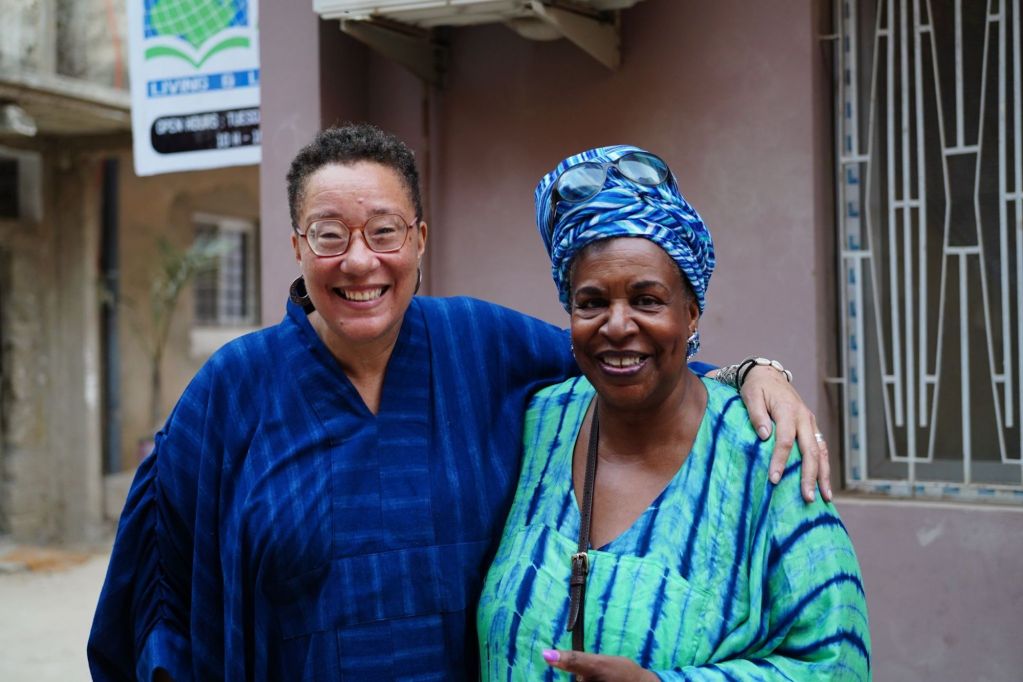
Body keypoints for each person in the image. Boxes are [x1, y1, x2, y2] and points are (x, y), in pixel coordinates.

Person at [88, 125, 833, 681]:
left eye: (383, 232)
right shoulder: (232, 390)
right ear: (294, 245)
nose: (358, 261)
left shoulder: (480, 344)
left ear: (418, 238)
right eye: (328, 235)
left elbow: (625, 354)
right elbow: (161, 605)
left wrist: (753, 370)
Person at [477, 145, 870, 680]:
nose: (617, 325)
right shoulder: (540, 424)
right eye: (591, 302)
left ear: (690, 313)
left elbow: (838, 663)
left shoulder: (770, 456)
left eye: (647, 300)